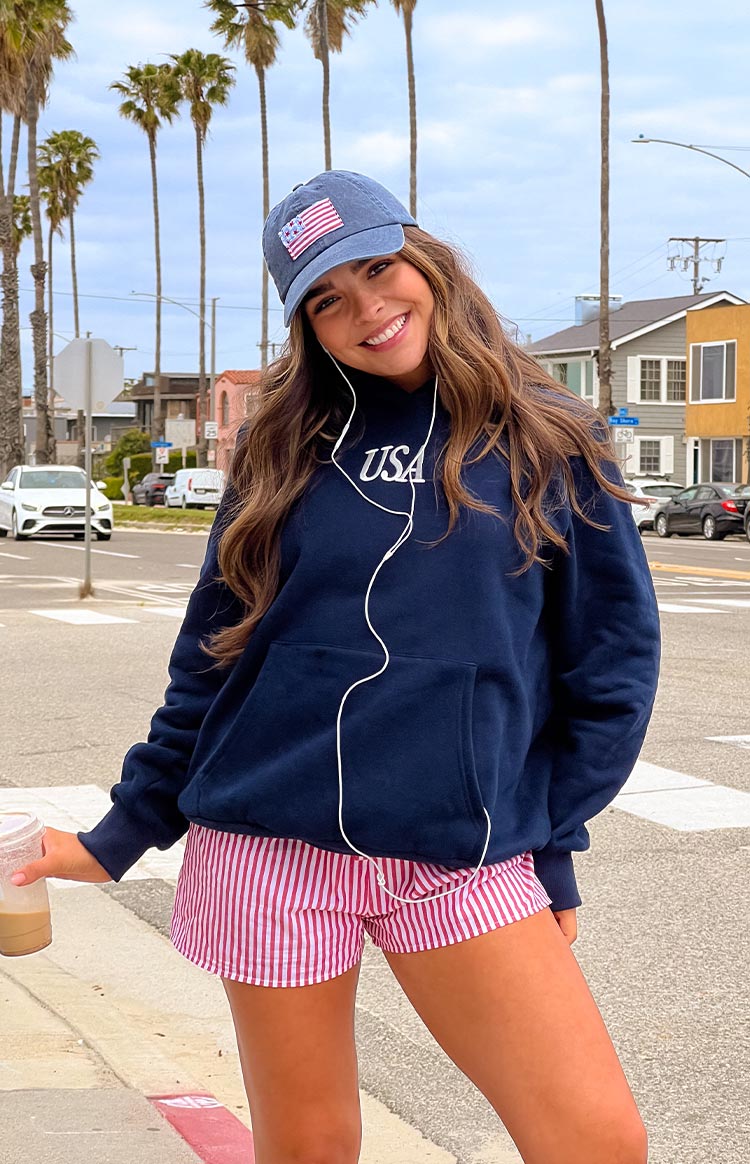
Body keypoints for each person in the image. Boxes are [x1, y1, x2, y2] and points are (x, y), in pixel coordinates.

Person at [12, 170, 660, 1164]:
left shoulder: (548, 438)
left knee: (596, 1140)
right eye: (326, 296)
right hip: (267, 851)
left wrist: (551, 841)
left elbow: (609, 666)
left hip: (459, 857)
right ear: (306, 323)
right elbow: (212, 657)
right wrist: (119, 834)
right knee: (309, 1150)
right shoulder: (284, 445)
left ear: (424, 260)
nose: (366, 307)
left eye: (376, 268)